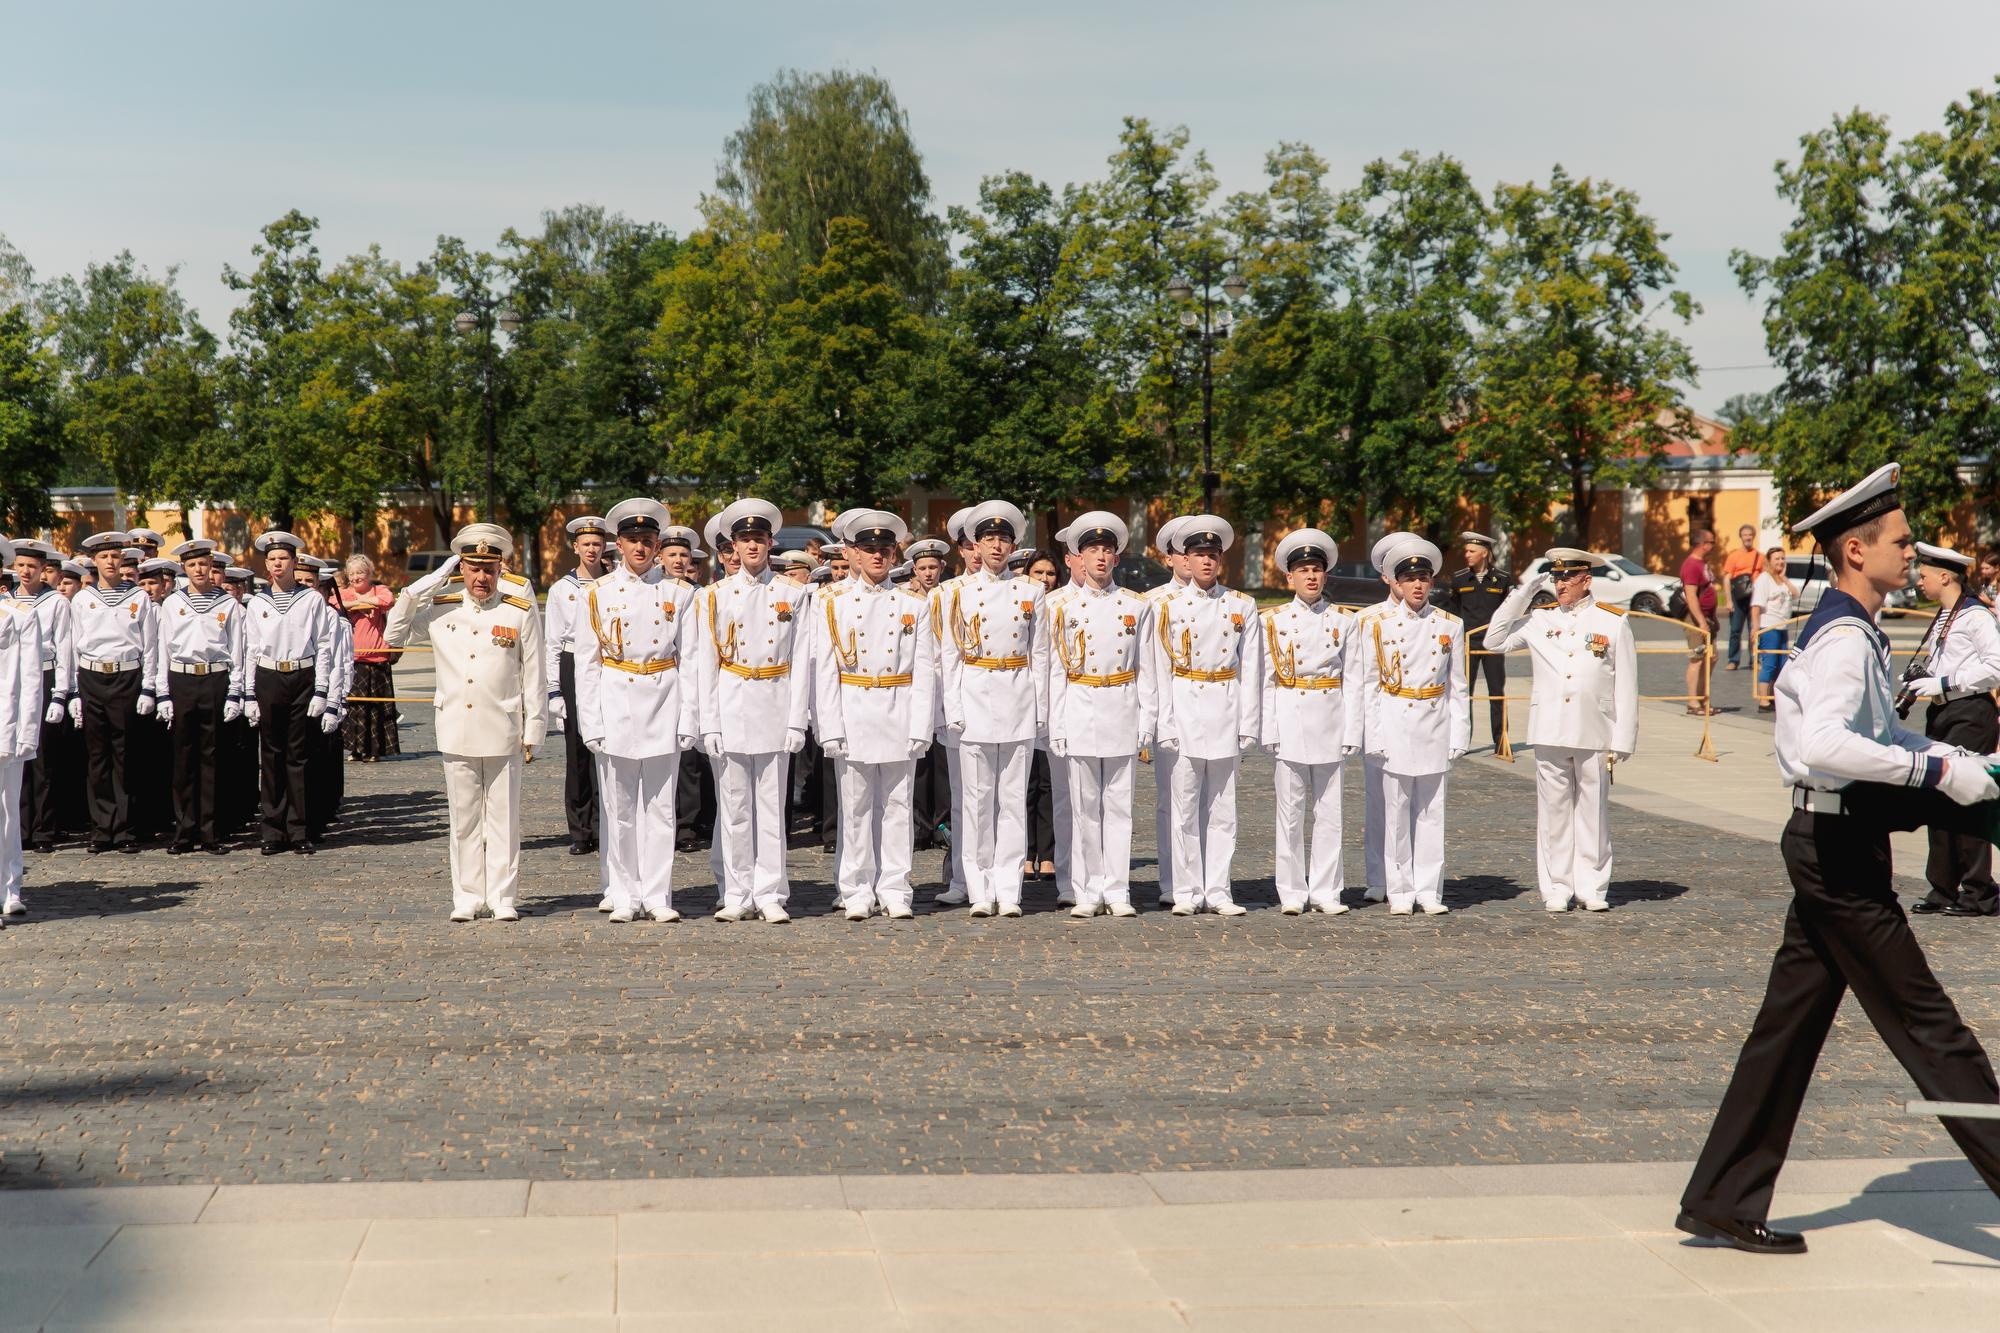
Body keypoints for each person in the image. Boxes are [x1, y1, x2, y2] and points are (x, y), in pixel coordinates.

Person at [1678, 462, 2000, 1255]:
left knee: (1786, 1029)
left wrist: (1951, 762)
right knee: (1931, 1029)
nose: (1910, 550)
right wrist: (1933, 769)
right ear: (1856, 550)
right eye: (1899, 540)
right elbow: (1824, 743)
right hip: (1838, 853)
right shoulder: (1847, 634)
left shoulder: (1844, 624)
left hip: (1832, 842)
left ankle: (1722, 1194)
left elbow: (1879, 739)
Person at [386, 524, 547, 922]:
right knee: (463, 819)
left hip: (503, 726)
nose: (481, 578)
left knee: (504, 819)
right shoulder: (443, 605)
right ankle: (468, 895)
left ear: (499, 569)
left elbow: (535, 673)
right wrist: (426, 583)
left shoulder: (518, 609)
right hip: (457, 724)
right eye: (473, 568)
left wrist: (535, 729)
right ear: (461, 568)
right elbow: (394, 633)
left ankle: (503, 897)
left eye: (488, 569)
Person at [1483, 549, 1639, 913]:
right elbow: (1494, 640)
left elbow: (1627, 684)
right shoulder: (1539, 619)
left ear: (1587, 580)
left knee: (1593, 812)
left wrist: (1623, 738)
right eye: (1556, 578)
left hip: (1595, 728)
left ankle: (1592, 885)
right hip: (1550, 728)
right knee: (1553, 812)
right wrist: (1522, 593)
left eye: (1567, 578)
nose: (1560, 584)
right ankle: (1557, 886)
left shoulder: (1613, 621)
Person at [577, 499, 699, 924]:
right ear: (619, 544)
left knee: (662, 809)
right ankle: (625, 892)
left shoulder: (680, 593)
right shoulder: (596, 594)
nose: (641, 548)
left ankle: (658, 893)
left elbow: (694, 660)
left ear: (658, 545)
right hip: (617, 702)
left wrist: (690, 718)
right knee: (620, 808)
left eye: (648, 541)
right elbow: (587, 664)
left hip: (664, 699)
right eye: (633, 541)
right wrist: (589, 721)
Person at [814, 509, 935, 919]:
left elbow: (924, 669)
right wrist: (829, 727)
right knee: (856, 807)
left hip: (899, 709)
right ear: (852, 554)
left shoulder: (913, 606)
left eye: (884, 549)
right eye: (869, 549)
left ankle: (896, 886)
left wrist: (922, 723)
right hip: (854, 711)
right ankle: (856, 888)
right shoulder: (832, 603)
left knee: (899, 806)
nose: (878, 556)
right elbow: (825, 670)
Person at [697, 498, 807, 924]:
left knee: (772, 806)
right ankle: (737, 891)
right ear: (733, 547)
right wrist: (709, 722)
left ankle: (771, 892)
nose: (753, 547)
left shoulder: (793, 595)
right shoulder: (714, 597)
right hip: (733, 703)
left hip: (776, 701)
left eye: (759, 539)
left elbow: (802, 661)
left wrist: (798, 718)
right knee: (736, 807)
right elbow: (706, 665)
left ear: (771, 543)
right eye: (745, 540)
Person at [941, 500, 1049, 918]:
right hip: (975, 697)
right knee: (977, 801)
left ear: (1013, 545)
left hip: (1018, 698)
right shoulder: (956, 593)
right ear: (975, 545)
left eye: (1004, 539)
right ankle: (979, 886)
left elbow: (1040, 656)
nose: (997, 546)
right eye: (989, 539)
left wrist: (1040, 711)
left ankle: (1009, 889)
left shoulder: (1031, 592)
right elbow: (949, 656)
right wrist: (953, 709)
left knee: (1011, 801)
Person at [1349, 535, 1467, 915]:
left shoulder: (1450, 624)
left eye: (1425, 578)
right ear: (1395, 583)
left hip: (1433, 722)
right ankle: (1396, 888)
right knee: (1394, 811)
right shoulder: (1374, 623)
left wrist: (1459, 733)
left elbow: (1459, 686)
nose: (1418, 585)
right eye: (1410, 578)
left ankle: (1429, 889)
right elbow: (1365, 684)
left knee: (1432, 812)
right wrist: (1371, 734)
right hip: (1394, 719)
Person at [1152, 515, 1261, 915]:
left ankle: (1218, 890)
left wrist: (1249, 722)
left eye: (1212, 555)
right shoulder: (1163, 605)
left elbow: (1252, 670)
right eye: (1198, 555)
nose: (1206, 562)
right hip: (1183, 705)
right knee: (1182, 807)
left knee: (1222, 809)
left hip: (1225, 707)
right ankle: (1186, 891)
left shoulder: (1240, 604)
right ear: (1185, 559)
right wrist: (1161, 723)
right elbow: (1157, 671)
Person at [1046, 512, 1154, 917]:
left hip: (1121, 706)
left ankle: (1118, 889)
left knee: (1119, 805)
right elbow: (1054, 670)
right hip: (1079, 706)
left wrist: (1148, 720)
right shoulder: (1059, 606)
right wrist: (1054, 724)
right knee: (1084, 806)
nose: (1101, 558)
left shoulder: (1135, 605)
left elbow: (1148, 668)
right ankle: (1087, 889)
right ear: (1078, 556)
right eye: (1093, 550)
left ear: (1117, 558)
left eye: (1107, 550)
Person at [1260, 529, 1358, 915]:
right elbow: (1265, 680)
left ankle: (1327, 891)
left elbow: (1355, 678)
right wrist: (1268, 728)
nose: (1311, 577)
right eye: (1303, 570)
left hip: (1330, 718)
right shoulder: (1273, 621)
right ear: (1289, 578)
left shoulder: (1345, 621)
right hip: (1290, 717)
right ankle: (1291, 891)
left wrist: (1353, 730)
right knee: (1289, 814)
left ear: (1326, 575)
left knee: (1330, 814)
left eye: (1316, 569)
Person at [1902, 543, 2000, 918]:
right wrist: (1922, 680)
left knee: (1967, 800)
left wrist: (1946, 683)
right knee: (1938, 797)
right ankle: (1942, 887)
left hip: (1970, 714)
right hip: (1945, 714)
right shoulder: (1944, 614)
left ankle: (1979, 892)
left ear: (1946, 577)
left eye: (1924, 575)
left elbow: (1995, 665)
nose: (1919, 581)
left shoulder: (1975, 616)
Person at [244, 531, 339, 856]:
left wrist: (321, 690)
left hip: (302, 674)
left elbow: (324, 645)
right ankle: (272, 830)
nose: (277, 564)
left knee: (298, 756)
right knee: (270, 756)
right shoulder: (257, 602)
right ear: (266, 565)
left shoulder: (312, 600)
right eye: (271, 560)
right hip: (270, 676)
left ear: (295, 562)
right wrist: (248, 693)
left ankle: (299, 829)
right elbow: (252, 649)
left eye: (283, 559)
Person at [152, 539, 246, 855]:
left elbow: (237, 652)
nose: (199, 570)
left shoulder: (227, 605)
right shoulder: (172, 604)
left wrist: (235, 692)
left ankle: (210, 831)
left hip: (215, 678)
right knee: (182, 760)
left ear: (212, 567)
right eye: (192, 565)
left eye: (204, 564)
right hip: (181, 679)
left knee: (212, 758)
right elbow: (163, 650)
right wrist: (163, 692)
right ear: (184, 569)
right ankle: (184, 830)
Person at [70, 531, 160, 854]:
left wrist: (149, 686)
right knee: (97, 756)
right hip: (93, 677)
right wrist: (74, 692)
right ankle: (101, 828)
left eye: (115, 556)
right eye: (104, 556)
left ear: (123, 561)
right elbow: (73, 648)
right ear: (94, 561)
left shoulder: (137, 598)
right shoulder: (82, 600)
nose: (110, 561)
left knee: (125, 755)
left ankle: (125, 828)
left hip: (126, 677)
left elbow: (150, 646)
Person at [544, 516, 612, 856]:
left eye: (597, 544)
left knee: (608, 746)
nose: (591, 549)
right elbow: (553, 643)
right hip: (573, 662)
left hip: (607, 663)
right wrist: (554, 689)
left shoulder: (612, 584)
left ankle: (605, 826)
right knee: (577, 751)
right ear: (575, 547)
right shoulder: (561, 590)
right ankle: (581, 829)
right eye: (586, 544)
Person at [1353, 534, 1408, 903]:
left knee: (1416, 804)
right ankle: (1380, 875)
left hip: (1420, 721)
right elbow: (1359, 680)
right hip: (1380, 721)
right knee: (1379, 803)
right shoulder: (1367, 619)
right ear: (1386, 576)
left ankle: (1412, 876)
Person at [926, 510, 976, 904]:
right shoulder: (944, 595)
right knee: (959, 799)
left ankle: (992, 878)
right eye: (970, 545)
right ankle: (960, 877)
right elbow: (936, 659)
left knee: (995, 799)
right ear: (960, 549)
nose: (977, 552)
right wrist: (939, 712)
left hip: (991, 702)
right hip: (951, 706)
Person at [14, 541, 73, 859]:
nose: (26, 571)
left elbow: (64, 649)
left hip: (45, 675)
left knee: (44, 759)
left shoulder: (56, 603)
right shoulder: (5, 600)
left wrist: (61, 693)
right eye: (21, 565)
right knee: (15, 755)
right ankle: (19, 827)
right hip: (14, 679)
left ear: (42, 570)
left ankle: (44, 829)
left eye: (32, 566)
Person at [1143, 515, 1191, 907]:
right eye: (1183, 551)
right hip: (1169, 712)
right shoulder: (1154, 602)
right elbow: (1149, 668)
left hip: (1212, 708)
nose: (1193, 560)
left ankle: (1208, 879)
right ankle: (1172, 879)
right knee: (1169, 800)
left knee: (1211, 803)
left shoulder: (1228, 601)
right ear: (1171, 557)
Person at [0, 537, 44, 923]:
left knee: (7, 812)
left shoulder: (20, 615)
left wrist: (28, 731)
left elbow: (32, 678)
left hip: (6, 727)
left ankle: (10, 887)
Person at [905, 536, 952, 857]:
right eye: (922, 568)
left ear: (942, 568)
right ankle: (919, 824)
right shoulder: (905, 600)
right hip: (917, 687)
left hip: (946, 685)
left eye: (933, 567)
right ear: (914, 570)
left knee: (944, 762)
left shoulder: (950, 597)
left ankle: (942, 823)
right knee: (919, 762)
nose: (928, 573)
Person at [1443, 532, 1512, 749]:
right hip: (1467, 645)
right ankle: (1462, 741)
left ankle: (1501, 742)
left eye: (1471, 551)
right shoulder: (1459, 578)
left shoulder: (1502, 579)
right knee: (1464, 693)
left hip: (1493, 645)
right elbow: (1453, 613)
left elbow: (1508, 611)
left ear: (1484, 553)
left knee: (1497, 692)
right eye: (1466, 550)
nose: (1467, 555)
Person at [1019, 548, 1062, 886]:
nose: (1045, 580)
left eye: (1050, 574)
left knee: (1048, 784)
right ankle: (1024, 852)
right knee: (1023, 784)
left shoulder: (1062, 604)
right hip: (1021, 702)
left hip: (1056, 704)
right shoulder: (1021, 604)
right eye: (1038, 574)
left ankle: (1047, 854)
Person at [338, 555, 398, 762]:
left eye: (360, 573)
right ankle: (355, 749)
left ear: (369, 574)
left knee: (376, 707)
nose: (355, 577)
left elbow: (388, 601)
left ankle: (374, 751)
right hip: (352, 658)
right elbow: (335, 603)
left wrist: (360, 601)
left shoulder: (379, 590)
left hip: (378, 658)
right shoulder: (345, 592)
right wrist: (362, 604)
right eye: (352, 573)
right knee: (355, 707)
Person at [1748, 546, 1796, 712]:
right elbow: (1756, 606)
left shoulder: (1782, 579)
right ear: (1769, 561)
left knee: (1781, 664)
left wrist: (1785, 579)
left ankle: (1774, 697)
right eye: (1777, 559)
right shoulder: (1764, 579)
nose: (1781, 562)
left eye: (1783, 558)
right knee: (1769, 664)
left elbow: (1796, 594)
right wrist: (1755, 629)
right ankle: (1763, 701)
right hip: (1769, 626)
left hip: (1783, 626)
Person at [1681, 529, 1719, 715]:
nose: (1713, 545)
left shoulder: (1702, 563)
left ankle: (1703, 698)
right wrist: (1701, 622)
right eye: (1711, 542)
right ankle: (1692, 702)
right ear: (1702, 544)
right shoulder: (1691, 565)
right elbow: (1691, 596)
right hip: (1697, 620)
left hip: (1708, 619)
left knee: (1711, 658)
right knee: (1697, 659)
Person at [1722, 524, 1763, 671]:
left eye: (1750, 535)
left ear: (1753, 536)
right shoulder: (1733, 556)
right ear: (1741, 537)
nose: (1748, 537)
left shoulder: (1759, 556)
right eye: (1745, 535)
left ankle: (1755, 660)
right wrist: (1728, 600)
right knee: (1735, 630)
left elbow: (1764, 577)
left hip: (1755, 597)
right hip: (1738, 597)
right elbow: (1727, 579)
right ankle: (1733, 660)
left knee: (1754, 630)